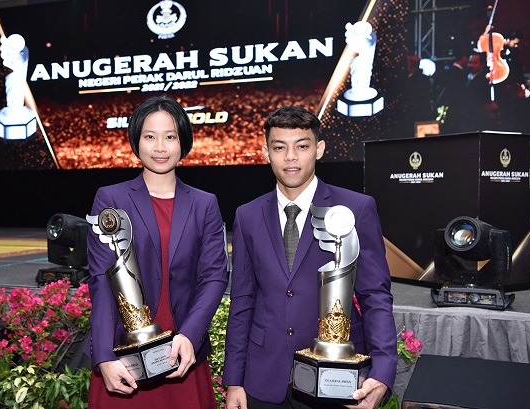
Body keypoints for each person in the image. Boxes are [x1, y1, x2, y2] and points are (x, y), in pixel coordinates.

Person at [223, 106, 397, 409]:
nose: (290, 157)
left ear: (319, 149)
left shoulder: (355, 208)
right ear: (266, 152)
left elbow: (374, 295)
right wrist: (234, 381)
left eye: (302, 146)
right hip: (264, 378)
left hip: (337, 375)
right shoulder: (247, 215)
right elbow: (242, 301)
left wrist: (382, 371)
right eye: (280, 147)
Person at [86, 95, 228, 408]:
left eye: (170, 137)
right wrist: (104, 356)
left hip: (182, 352)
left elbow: (214, 277)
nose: (160, 147)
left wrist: (190, 336)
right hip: (123, 357)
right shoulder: (110, 199)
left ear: (183, 142)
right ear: (136, 141)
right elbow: (100, 280)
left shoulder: (205, 203)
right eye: (150, 137)